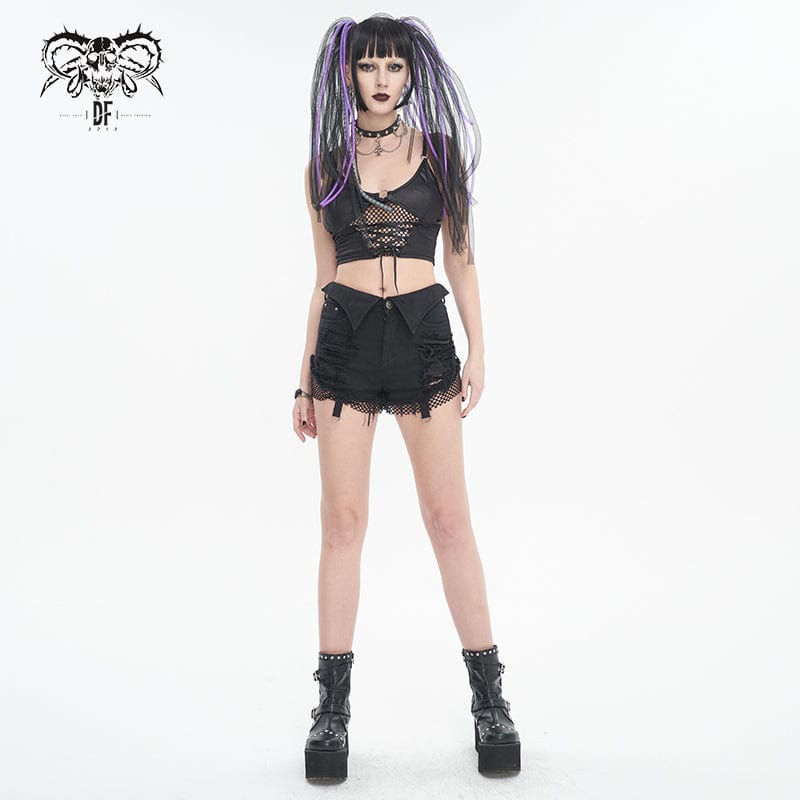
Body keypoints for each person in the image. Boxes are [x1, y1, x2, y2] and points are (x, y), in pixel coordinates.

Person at [292, 13, 521, 780]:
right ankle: (331, 712)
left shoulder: (442, 155)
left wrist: (478, 349)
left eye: (394, 65)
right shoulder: (324, 167)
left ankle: (490, 699)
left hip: (424, 339)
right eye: (369, 66)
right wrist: (303, 378)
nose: (382, 78)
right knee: (343, 524)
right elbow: (323, 278)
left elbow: (462, 258)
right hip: (346, 346)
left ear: (411, 73)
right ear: (349, 74)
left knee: (450, 522)